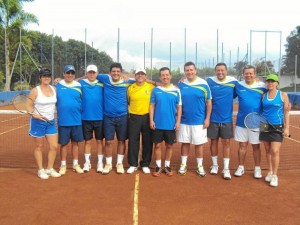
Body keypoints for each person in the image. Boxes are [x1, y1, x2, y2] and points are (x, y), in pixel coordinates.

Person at [96, 62, 136, 174]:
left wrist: (157, 83)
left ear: (121, 73)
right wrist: (61, 80)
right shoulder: (104, 78)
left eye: (118, 71)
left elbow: (141, 79)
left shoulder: (127, 81)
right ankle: (108, 164)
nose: (116, 73)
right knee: (108, 141)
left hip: (122, 116)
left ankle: (119, 163)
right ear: (109, 73)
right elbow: (92, 75)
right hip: (108, 117)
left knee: (121, 141)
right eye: (113, 71)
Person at [177, 61, 212, 176]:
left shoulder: (204, 84)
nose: (189, 72)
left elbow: (209, 102)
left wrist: (207, 119)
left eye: (191, 70)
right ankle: (183, 164)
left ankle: (200, 166)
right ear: (184, 72)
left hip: (199, 121)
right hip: (184, 120)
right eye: (187, 70)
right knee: (185, 143)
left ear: (195, 70)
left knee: (199, 144)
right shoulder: (181, 84)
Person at [234, 65, 267, 178]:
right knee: (242, 145)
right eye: (246, 73)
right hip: (241, 121)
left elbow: (274, 91)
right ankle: (241, 167)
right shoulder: (238, 85)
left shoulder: (262, 86)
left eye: (250, 73)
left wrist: (285, 98)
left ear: (255, 74)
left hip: (256, 122)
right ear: (243, 74)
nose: (248, 75)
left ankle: (257, 169)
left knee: (256, 146)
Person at [27, 68, 61, 179]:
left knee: (54, 146)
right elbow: (28, 105)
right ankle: (41, 170)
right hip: (38, 122)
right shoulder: (35, 90)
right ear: (40, 78)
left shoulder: (54, 89)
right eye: (44, 76)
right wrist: (33, 114)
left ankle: (50, 169)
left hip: (50, 121)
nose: (47, 78)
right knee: (39, 146)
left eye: (48, 76)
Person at [206, 63, 237, 180]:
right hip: (213, 119)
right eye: (218, 70)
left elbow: (247, 88)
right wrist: (183, 79)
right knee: (213, 142)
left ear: (226, 71)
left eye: (222, 70)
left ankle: (226, 168)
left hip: (227, 120)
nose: (220, 72)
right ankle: (215, 165)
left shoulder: (233, 82)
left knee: (226, 143)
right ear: (215, 71)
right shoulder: (209, 81)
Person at [149, 67, 182, 177]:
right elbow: (152, 106)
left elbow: (179, 108)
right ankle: (158, 166)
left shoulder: (176, 90)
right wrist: (151, 120)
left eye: (167, 74)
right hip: (157, 124)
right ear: (160, 77)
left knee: (169, 146)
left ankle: (167, 166)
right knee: (157, 145)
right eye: (163, 75)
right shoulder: (156, 90)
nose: (165, 77)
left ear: (170, 76)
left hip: (171, 124)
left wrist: (178, 122)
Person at [260, 74, 290, 187]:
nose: (270, 83)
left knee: (275, 150)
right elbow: (262, 111)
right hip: (264, 125)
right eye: (268, 81)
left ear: (277, 83)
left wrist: (287, 128)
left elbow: (286, 112)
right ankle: (270, 171)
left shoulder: (283, 95)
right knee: (267, 150)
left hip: (277, 126)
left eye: (272, 81)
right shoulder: (263, 96)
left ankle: (275, 176)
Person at [56, 65, 84, 175]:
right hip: (63, 121)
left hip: (77, 120)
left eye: (72, 73)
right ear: (63, 74)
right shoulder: (57, 85)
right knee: (63, 145)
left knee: (75, 144)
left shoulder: (79, 85)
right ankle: (63, 165)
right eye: (68, 73)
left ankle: (75, 164)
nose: (70, 75)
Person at [127, 68, 155, 174]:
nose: (140, 76)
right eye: (138, 74)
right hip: (134, 117)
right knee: (133, 141)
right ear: (135, 76)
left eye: (142, 74)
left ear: (146, 76)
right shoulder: (130, 88)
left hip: (147, 117)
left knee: (147, 141)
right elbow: (128, 101)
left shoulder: (151, 87)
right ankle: (133, 164)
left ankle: (145, 164)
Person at [79, 65, 105, 173]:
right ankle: (87, 162)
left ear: (97, 73)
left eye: (93, 72)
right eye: (89, 72)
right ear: (86, 73)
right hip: (85, 118)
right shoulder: (81, 83)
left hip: (100, 118)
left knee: (100, 141)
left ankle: (100, 163)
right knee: (87, 142)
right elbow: (69, 82)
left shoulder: (102, 83)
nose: (91, 74)